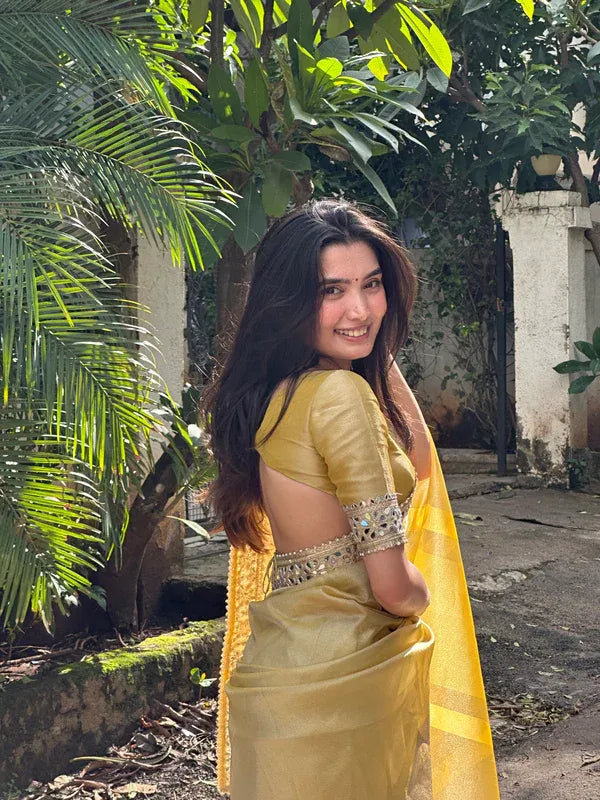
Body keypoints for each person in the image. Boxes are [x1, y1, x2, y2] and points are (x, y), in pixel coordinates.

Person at [202, 200, 499, 800]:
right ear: (289, 302)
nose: (359, 308)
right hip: (348, 680)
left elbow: (415, 461)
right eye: (331, 291)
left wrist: (365, 342)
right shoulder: (339, 396)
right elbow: (391, 586)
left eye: (372, 285)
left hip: (280, 671)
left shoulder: (280, 393)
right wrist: (423, 592)